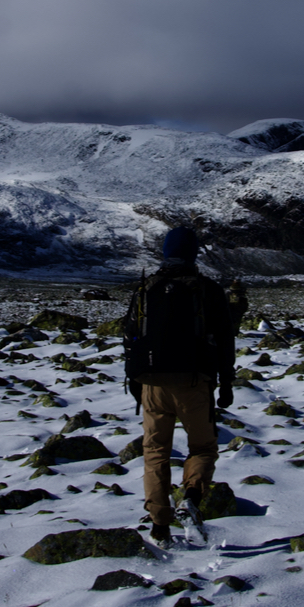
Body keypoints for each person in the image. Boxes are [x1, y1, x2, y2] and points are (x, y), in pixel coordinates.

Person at [123, 226, 235, 547]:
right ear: (193, 253)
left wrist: (134, 380)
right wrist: (226, 382)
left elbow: (130, 336)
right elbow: (226, 340)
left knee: (155, 451)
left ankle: (160, 527)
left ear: (165, 252)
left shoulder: (147, 287)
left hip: (151, 381)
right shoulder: (207, 289)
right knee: (202, 448)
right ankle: (191, 499)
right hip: (194, 381)